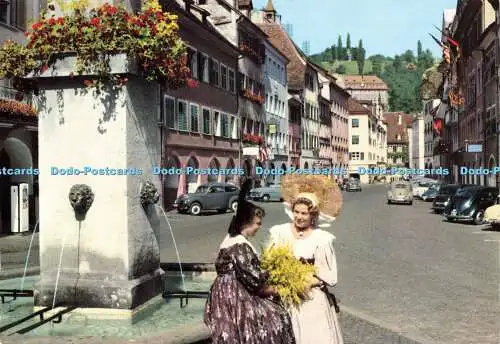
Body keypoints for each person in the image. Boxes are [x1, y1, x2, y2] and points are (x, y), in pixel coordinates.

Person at [204, 178, 296, 344]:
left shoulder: (231, 239)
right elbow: (255, 280)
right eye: (257, 224)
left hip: (224, 293)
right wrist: (277, 285)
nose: (259, 227)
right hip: (234, 297)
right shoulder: (239, 246)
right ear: (246, 223)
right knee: (277, 317)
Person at [268, 192, 343, 344]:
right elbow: (270, 262)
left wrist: (306, 282)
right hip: (285, 297)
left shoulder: (321, 239)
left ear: (313, 215)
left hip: (310, 299)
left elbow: (329, 275)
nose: (299, 217)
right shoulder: (280, 232)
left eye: (304, 213)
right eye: (296, 212)